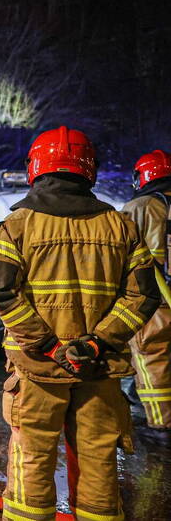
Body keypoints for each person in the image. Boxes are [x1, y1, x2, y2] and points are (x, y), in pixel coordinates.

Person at [0, 126, 161, 521]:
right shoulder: (121, 226)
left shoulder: (16, 226)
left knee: (32, 457)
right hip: (98, 370)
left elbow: (2, 293)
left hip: (38, 370)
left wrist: (49, 347)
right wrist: (96, 344)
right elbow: (144, 296)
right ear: (89, 171)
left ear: (36, 168)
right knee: (99, 461)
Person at [121, 149, 171, 444]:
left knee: (152, 360)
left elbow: (127, 253)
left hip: (153, 301)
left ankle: (161, 426)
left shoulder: (140, 206)